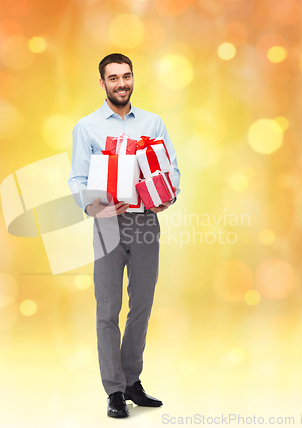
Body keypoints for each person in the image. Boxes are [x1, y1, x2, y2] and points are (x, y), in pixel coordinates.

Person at [68, 53, 181, 418]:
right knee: (108, 309)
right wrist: (91, 208)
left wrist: (168, 194)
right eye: (113, 78)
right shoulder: (87, 127)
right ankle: (114, 390)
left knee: (142, 306)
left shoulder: (153, 122)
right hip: (107, 224)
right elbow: (77, 178)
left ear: (133, 79)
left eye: (127, 76)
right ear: (102, 83)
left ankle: (132, 381)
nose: (121, 83)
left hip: (146, 220)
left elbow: (171, 167)